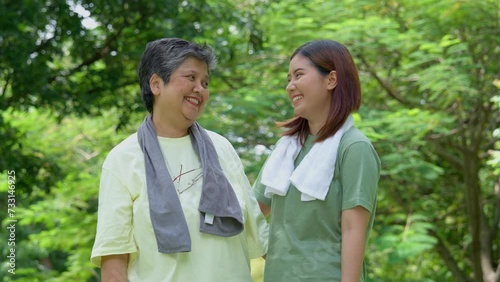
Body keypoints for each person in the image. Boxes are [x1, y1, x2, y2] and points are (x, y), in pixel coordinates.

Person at [91, 38, 268, 282]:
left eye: (205, 82)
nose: (200, 89)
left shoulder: (222, 149)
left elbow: (261, 236)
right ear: (156, 84)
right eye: (191, 78)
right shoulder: (123, 160)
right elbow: (114, 264)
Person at [253, 40, 381, 282]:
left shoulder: (354, 147)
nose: (290, 86)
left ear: (331, 80)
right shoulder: (287, 149)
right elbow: (251, 211)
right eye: (289, 78)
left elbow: (354, 231)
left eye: (299, 75)